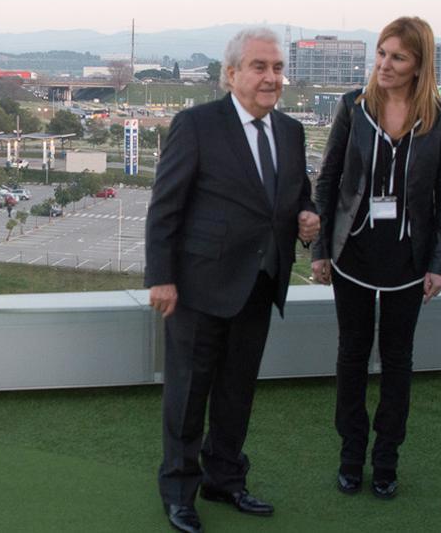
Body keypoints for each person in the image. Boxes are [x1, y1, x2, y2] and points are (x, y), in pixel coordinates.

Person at [146, 27, 319, 533]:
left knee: (236, 394)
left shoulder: (290, 131)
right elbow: (165, 209)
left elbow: (294, 196)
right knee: (188, 395)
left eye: (277, 68)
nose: (271, 78)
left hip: (260, 285)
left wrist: (307, 217)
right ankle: (179, 492)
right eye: (259, 67)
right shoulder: (196, 124)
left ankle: (225, 479)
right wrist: (162, 278)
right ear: (231, 74)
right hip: (198, 290)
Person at [310, 16, 441, 500]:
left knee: (397, 360)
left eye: (398, 57)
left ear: (419, 65)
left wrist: (440, 262)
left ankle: (387, 460)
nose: (384, 65)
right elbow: (328, 181)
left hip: (408, 260)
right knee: (352, 355)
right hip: (353, 253)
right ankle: (351, 456)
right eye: (381, 53)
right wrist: (320, 250)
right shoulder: (352, 108)